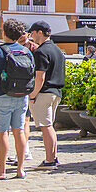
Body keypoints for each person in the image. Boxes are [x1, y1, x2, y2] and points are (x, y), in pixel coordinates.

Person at [0, 18, 34, 180]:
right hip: (21, 96)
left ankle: (1, 171)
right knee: (19, 131)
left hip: (2, 94)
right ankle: (20, 169)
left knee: (2, 133)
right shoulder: (26, 51)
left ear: (4, 33)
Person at [27, 21, 65, 167]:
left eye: (32, 33)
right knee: (50, 126)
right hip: (56, 92)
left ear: (40, 32)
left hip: (45, 92)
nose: (31, 36)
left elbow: (40, 76)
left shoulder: (41, 51)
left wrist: (33, 94)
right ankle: (53, 157)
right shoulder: (57, 50)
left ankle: (50, 159)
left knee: (46, 126)